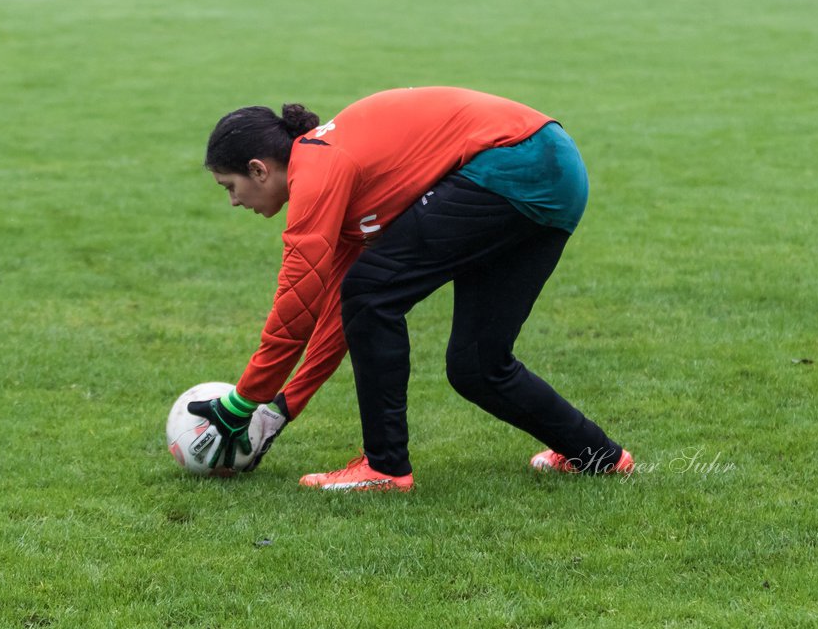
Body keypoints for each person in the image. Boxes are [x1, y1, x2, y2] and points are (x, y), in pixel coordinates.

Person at [190, 87, 634, 491]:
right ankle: (598, 456)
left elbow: (298, 304)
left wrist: (241, 401)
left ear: (258, 169)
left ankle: (384, 468)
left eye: (230, 187)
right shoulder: (334, 175)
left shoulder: (318, 165)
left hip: (515, 161)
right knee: (476, 366)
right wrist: (280, 407)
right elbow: (338, 315)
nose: (233, 201)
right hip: (555, 175)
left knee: (372, 292)